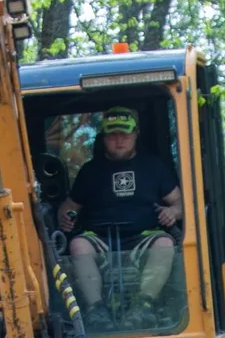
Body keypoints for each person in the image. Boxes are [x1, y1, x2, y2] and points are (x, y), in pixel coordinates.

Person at [58, 105, 182, 314]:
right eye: (113, 135)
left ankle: (144, 307)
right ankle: (96, 310)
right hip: (99, 238)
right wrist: (65, 217)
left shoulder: (153, 166)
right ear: (103, 138)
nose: (119, 140)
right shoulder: (90, 171)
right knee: (79, 245)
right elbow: (68, 206)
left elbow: (180, 203)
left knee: (165, 243)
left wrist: (173, 212)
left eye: (124, 134)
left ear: (135, 135)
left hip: (143, 237)